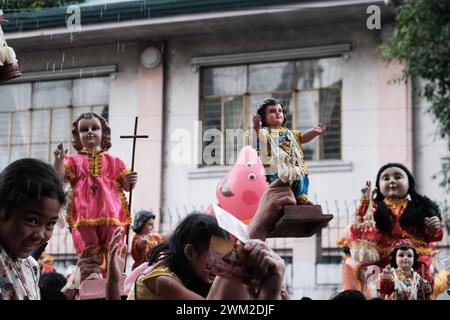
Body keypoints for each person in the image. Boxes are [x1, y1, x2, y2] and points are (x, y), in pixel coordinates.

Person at [127, 213, 286, 300]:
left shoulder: (185, 274)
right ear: (190, 252)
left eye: (224, 258)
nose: (220, 267)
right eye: (215, 258)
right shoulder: (162, 280)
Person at [53, 112, 138, 275]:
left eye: (95, 128)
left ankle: (114, 278)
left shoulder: (114, 161)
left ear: (103, 132)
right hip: (83, 214)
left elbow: (127, 186)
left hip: (111, 213)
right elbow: (59, 177)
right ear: (78, 135)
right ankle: (93, 278)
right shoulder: (73, 161)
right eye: (84, 129)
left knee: (114, 245)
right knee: (88, 249)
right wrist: (58, 160)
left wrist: (131, 179)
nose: (90, 132)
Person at [347, 163, 443, 288]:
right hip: (384, 260)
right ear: (379, 186)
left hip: (415, 258)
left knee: (420, 284)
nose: (392, 181)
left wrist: (433, 227)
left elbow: (434, 236)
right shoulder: (375, 208)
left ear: (409, 183)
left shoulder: (422, 207)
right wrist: (366, 201)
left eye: (398, 177)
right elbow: (362, 223)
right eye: (386, 178)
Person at [0, 158, 66, 300]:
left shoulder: (32, 267)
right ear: (2, 211)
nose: (40, 234)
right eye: (32, 220)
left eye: (50, 224)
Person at [252, 98, 325, 204]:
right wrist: (256, 127)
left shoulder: (290, 133)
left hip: (295, 166)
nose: (277, 113)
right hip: (278, 168)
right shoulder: (264, 132)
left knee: (301, 180)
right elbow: (257, 136)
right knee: (281, 184)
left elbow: (303, 138)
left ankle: (301, 199)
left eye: (280, 111)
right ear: (263, 117)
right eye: (272, 111)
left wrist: (314, 132)